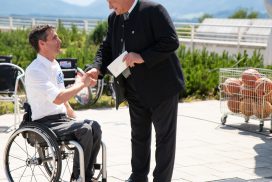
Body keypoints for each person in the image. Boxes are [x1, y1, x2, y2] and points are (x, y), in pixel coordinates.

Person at [87, 0, 185, 181]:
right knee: (138, 136)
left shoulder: (154, 10)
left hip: (161, 88)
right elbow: (107, 48)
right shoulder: (114, 18)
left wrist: (142, 57)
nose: (109, 6)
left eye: (111, 1)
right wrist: (96, 68)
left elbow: (171, 42)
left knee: (164, 139)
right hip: (132, 88)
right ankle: (138, 176)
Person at [25, 24, 102, 182]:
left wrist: (74, 116)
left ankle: (86, 174)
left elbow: (64, 100)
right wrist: (82, 83)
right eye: (54, 37)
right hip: (44, 123)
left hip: (60, 119)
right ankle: (78, 178)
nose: (59, 40)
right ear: (42, 44)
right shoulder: (35, 70)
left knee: (94, 126)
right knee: (85, 130)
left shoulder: (55, 65)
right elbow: (58, 97)